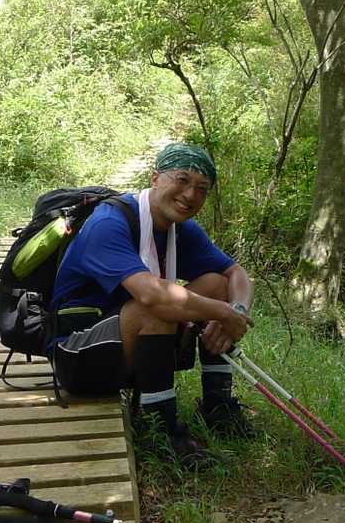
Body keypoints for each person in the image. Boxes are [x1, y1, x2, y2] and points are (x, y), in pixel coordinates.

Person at [49, 143, 255, 469]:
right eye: (182, 180)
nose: (190, 194)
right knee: (157, 305)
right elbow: (152, 296)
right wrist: (222, 313)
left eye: (202, 188)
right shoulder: (108, 223)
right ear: (155, 178)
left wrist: (237, 311)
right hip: (77, 356)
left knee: (216, 285)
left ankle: (218, 406)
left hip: (126, 344)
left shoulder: (179, 230)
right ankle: (162, 432)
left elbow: (235, 274)